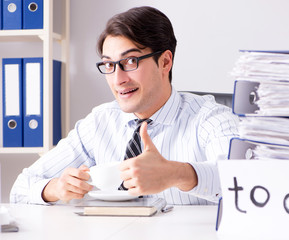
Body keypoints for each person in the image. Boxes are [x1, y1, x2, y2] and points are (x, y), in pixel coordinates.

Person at [10, 6, 240, 205]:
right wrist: (55, 188)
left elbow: (244, 182)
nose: (118, 80)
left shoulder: (211, 118)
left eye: (130, 61)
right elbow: (21, 187)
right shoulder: (98, 123)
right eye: (109, 65)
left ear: (165, 62)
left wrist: (177, 174)